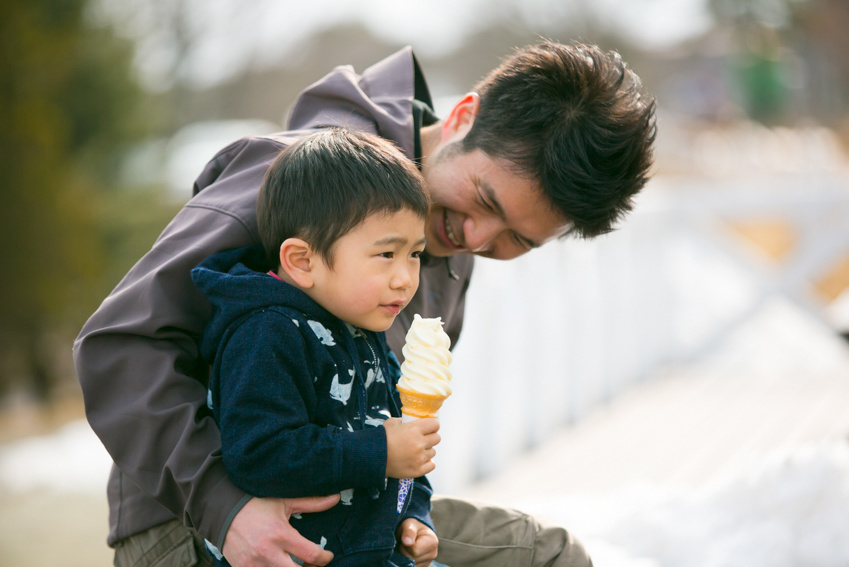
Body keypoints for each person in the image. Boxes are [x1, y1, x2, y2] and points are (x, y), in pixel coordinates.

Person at [74, 40, 655, 567]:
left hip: (355, 515)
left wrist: (412, 513)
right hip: (201, 521)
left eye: (518, 240)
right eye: (484, 199)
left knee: (547, 557)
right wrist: (225, 507)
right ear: (463, 117)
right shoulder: (296, 178)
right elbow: (119, 344)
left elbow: (384, 418)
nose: (477, 239)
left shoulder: (452, 248)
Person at [192, 128, 440, 566]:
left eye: (415, 254)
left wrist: (414, 516)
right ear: (302, 261)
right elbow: (259, 453)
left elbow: (402, 448)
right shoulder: (266, 333)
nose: (405, 277)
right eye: (387, 255)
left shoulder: (363, 326)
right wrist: (379, 452)